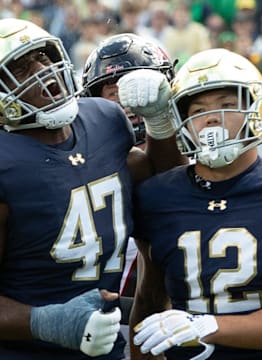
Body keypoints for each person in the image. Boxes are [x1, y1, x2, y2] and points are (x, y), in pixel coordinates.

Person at [129, 48, 262, 359]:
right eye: (198, 109)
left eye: (227, 105)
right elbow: (148, 307)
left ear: (258, 109)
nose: (212, 117)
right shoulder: (158, 196)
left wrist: (207, 327)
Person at [0, 18, 183, 359]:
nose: (44, 70)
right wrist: (46, 321)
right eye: (22, 68)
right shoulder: (5, 164)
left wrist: (160, 123)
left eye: (44, 57)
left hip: (107, 347)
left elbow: (168, 190)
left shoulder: (104, 119)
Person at [82, 32, 177, 360]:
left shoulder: (187, 156)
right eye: (117, 93)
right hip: (87, 315)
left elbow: (171, 181)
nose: (133, 104)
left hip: (170, 318)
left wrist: (161, 126)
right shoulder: (82, 160)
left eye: (142, 90)